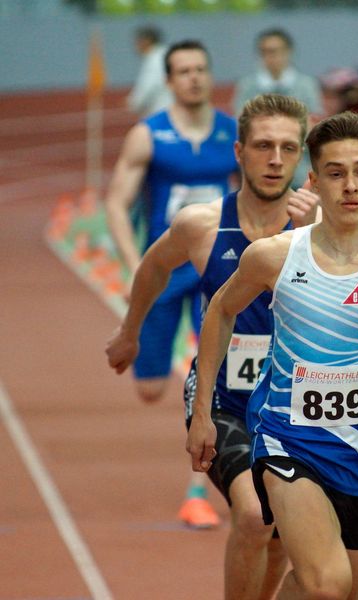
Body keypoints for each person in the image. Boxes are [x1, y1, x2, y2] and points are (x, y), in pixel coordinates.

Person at [187, 111, 358, 599]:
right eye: (335, 173)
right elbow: (220, 311)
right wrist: (202, 413)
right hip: (288, 442)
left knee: (335, 591)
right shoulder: (276, 255)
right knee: (326, 585)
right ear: (314, 180)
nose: (350, 186)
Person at [106, 93, 320, 599]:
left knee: (279, 534)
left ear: (301, 157)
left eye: (289, 148)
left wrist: (312, 234)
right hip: (224, 398)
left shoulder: (322, 230)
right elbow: (154, 268)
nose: (275, 159)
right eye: (264, 146)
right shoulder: (201, 225)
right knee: (252, 515)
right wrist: (129, 332)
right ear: (239, 152)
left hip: (294, 402)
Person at [105, 39, 239, 528]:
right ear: (168, 80)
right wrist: (133, 262)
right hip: (163, 270)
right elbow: (117, 202)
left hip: (216, 272)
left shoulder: (234, 134)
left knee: (212, 372)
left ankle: (202, 484)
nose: (195, 78)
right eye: (184, 71)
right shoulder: (149, 136)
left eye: (201, 69)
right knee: (149, 387)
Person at [234, 28, 322, 188]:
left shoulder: (306, 86)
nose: (271, 57)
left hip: (300, 171)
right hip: (260, 170)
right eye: (265, 52)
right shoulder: (247, 87)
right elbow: (242, 127)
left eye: (275, 51)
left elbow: (314, 128)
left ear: (289, 52)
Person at [127, 26, 173, 118]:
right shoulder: (167, 54)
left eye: (137, 42)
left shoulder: (154, 59)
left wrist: (134, 103)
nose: (135, 46)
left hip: (161, 111)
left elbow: (148, 85)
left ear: (146, 41)